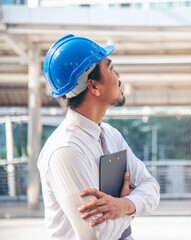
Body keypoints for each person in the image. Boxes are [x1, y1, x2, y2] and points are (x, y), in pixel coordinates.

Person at [37, 34, 160, 240]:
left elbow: (151, 187)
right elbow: (95, 234)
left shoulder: (110, 134)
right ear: (93, 86)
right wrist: (130, 207)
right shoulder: (65, 150)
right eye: (110, 68)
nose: (118, 75)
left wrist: (124, 204)